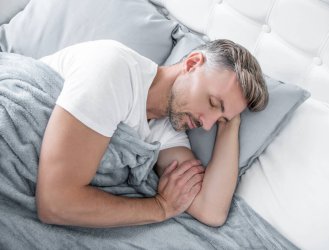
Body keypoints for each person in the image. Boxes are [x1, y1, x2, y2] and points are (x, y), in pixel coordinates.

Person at [36, 39, 268, 228]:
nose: (207, 125)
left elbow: (211, 210)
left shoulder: (168, 130)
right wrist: (160, 208)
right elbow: (55, 202)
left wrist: (230, 122)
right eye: (212, 102)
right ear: (192, 64)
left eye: (219, 120)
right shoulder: (116, 70)